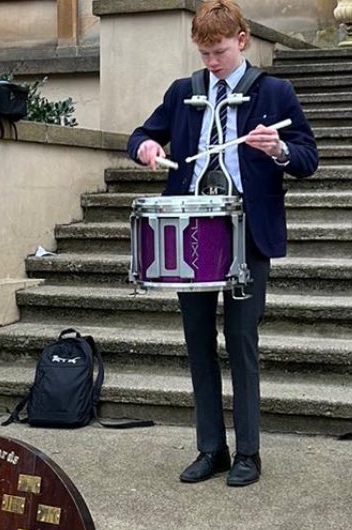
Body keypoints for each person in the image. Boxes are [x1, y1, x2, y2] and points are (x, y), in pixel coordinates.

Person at [128, 0, 318, 487]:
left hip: (247, 232)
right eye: (204, 53)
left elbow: (307, 157)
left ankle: (249, 454)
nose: (211, 63)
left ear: (242, 40)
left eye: (218, 52)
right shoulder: (183, 92)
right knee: (197, 344)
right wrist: (146, 147)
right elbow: (143, 134)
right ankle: (210, 447)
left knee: (242, 342)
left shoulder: (275, 91)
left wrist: (277, 149)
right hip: (193, 233)